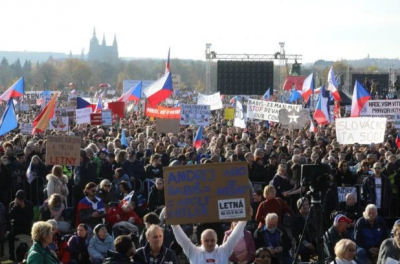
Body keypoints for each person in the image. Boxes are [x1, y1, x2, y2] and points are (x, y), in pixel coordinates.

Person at [170, 209, 250, 264]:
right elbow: (182, 239)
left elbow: (235, 236)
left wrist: (244, 219)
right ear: (201, 241)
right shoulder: (194, 252)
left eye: (212, 240)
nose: (209, 243)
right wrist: (173, 224)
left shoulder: (223, 251)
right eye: (206, 241)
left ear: (217, 240)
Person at [8, 190, 34, 261]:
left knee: (34, 236)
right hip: (17, 225)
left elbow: (30, 217)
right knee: (10, 235)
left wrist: (24, 208)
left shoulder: (29, 204)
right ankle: (11, 255)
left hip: (26, 225)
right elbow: (10, 216)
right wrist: (15, 207)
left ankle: (32, 252)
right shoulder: (12, 204)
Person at [290, 197, 316, 262]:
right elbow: (295, 234)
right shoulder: (295, 218)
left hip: (314, 241)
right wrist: (306, 243)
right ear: (299, 207)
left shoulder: (313, 215)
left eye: (307, 204)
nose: (305, 207)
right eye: (303, 205)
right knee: (304, 251)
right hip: (302, 243)